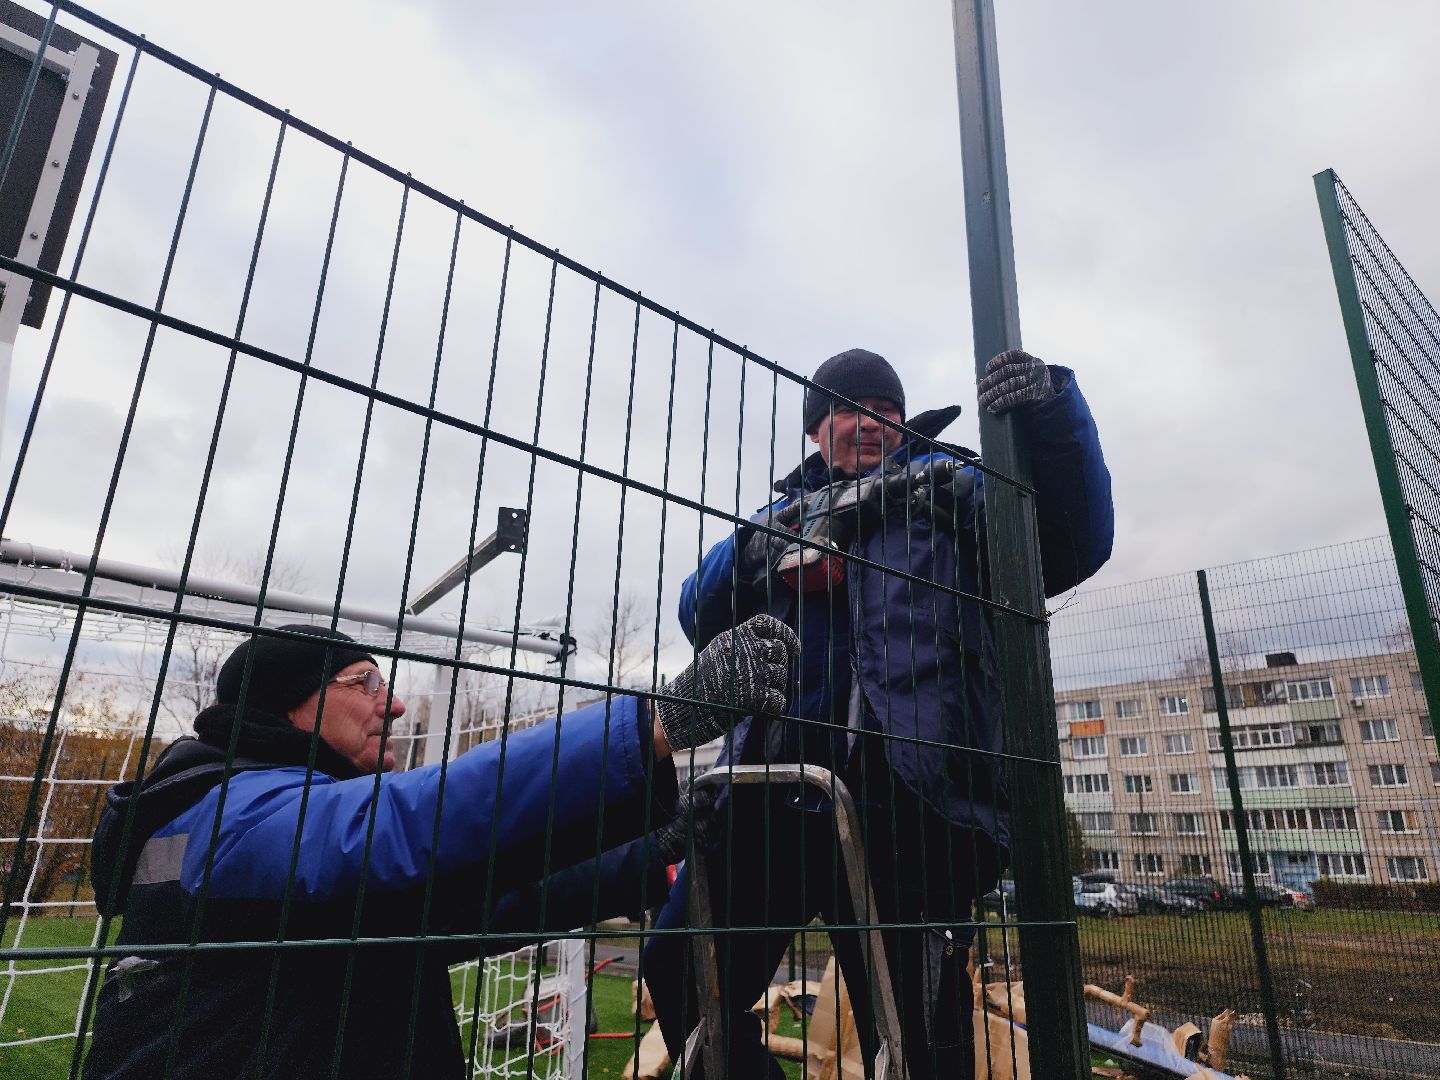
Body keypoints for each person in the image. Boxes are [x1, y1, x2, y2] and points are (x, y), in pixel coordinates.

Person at [642, 347, 1113, 1079]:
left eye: (885, 412)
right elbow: (695, 613)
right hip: (770, 800)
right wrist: (749, 550)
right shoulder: (779, 515)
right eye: (845, 411)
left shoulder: (950, 484)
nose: (869, 424)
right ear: (815, 433)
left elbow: (1072, 542)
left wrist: (1051, 412)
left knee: (923, 1041)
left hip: (906, 805)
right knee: (677, 969)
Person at [83, 616, 797, 1079]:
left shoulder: (281, 833)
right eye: (364, 682)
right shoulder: (226, 813)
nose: (391, 704)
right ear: (289, 706)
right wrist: (655, 723)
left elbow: (484, 902)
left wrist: (656, 852)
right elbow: (402, 826)